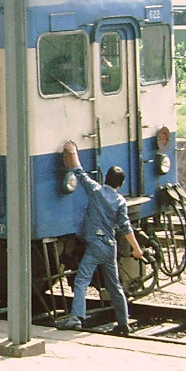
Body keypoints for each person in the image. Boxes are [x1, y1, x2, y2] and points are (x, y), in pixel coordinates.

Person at [58, 141, 144, 335]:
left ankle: (76, 318)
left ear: (106, 178)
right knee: (114, 286)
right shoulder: (121, 201)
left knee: (81, 279)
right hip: (110, 246)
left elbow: (79, 172)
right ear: (120, 184)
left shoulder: (96, 191)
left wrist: (73, 152)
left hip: (96, 245)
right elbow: (126, 228)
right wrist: (136, 249)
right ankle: (123, 323)